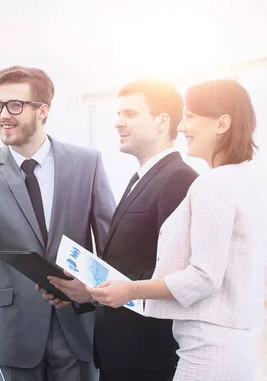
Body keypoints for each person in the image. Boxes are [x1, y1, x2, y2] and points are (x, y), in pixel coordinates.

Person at [0, 65, 115, 381]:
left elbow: (111, 246)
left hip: (78, 324)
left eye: (14, 105)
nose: (3, 115)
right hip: (13, 330)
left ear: (42, 110)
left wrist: (91, 289)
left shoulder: (87, 163)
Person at [89, 79, 263, 381]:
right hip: (232, 347)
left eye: (191, 116)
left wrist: (129, 290)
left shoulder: (213, 183)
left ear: (222, 123)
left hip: (206, 353)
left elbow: (203, 277)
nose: (182, 128)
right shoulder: (247, 181)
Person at [44, 78, 198, 381]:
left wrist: (91, 292)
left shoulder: (178, 179)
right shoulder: (140, 179)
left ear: (161, 121)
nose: (118, 123)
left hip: (148, 355)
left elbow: (175, 277)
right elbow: (131, 268)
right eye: (118, 115)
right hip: (122, 352)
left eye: (130, 114)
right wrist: (86, 293)